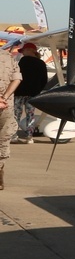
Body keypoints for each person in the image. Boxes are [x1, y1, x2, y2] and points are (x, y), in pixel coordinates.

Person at [13, 43, 47, 143]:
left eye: (23, 51)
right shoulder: (41, 63)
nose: (22, 53)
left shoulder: (23, 61)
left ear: (29, 50)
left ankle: (14, 135)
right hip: (33, 94)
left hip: (19, 92)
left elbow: (16, 76)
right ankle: (29, 136)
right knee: (30, 115)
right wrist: (37, 90)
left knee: (16, 114)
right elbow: (44, 80)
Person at [0, 47, 23, 189]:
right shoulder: (9, 57)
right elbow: (17, 79)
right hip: (6, 105)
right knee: (3, 139)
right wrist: (4, 97)